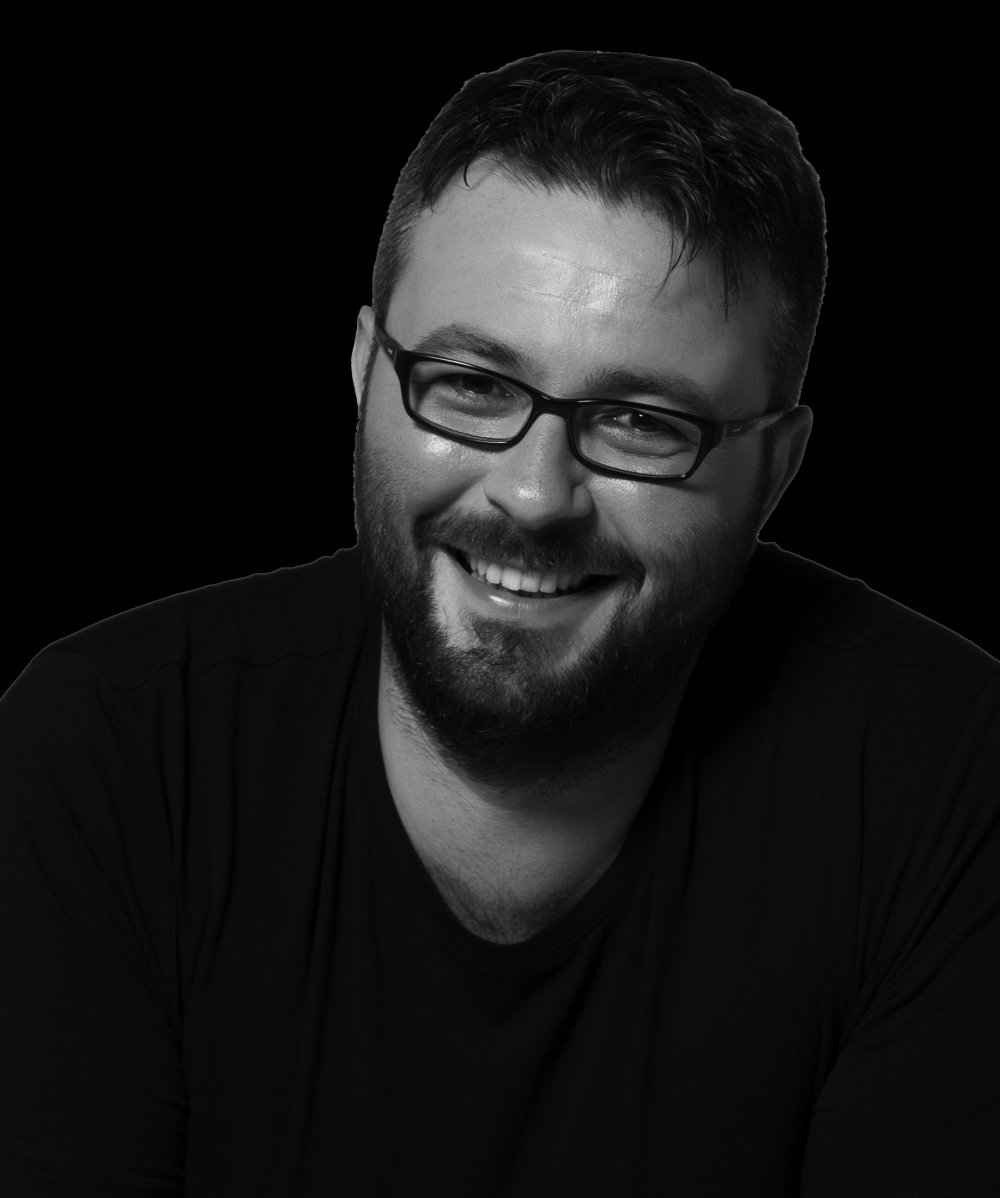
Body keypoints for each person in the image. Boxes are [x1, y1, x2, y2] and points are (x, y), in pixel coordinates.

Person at [1, 48, 997, 1197]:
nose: (532, 494)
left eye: (639, 420)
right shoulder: (114, 752)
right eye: (472, 384)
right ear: (367, 373)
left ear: (772, 469)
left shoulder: (947, 783)